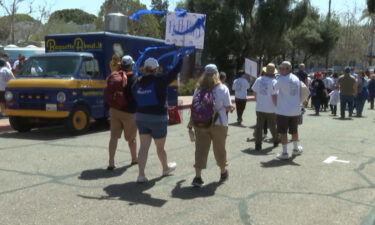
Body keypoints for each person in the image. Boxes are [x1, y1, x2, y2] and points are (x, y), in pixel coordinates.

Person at [133, 57, 182, 183]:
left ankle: (141, 175)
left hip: (141, 117)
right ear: (156, 69)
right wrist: (180, 58)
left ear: (144, 68)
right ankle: (165, 168)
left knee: (144, 146)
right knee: (160, 147)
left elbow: (133, 96)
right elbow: (175, 71)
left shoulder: (137, 81)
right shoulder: (160, 80)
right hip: (158, 118)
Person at [189, 64, 234, 187]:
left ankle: (197, 177)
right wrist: (231, 108)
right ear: (217, 74)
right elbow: (228, 106)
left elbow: (194, 105)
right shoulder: (222, 88)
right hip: (219, 123)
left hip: (200, 123)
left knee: (200, 150)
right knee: (219, 148)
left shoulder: (198, 89)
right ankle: (223, 172)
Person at [107, 55, 138, 170]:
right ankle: (134, 159)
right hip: (129, 112)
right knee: (131, 138)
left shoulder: (116, 75)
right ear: (131, 66)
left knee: (114, 137)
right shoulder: (134, 78)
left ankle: (111, 162)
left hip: (114, 110)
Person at [274, 61, 303, 160]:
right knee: (294, 130)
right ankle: (295, 149)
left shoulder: (282, 79)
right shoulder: (296, 78)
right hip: (295, 110)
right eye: (280, 67)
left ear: (288, 69)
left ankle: (285, 152)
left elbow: (274, 89)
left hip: (283, 110)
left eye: (282, 68)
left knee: (283, 132)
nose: (280, 69)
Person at [251, 63, 279, 151]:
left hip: (260, 107)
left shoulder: (259, 79)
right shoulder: (274, 81)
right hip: (271, 108)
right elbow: (274, 96)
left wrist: (258, 100)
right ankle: (275, 140)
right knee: (272, 126)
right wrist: (277, 106)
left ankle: (258, 144)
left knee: (259, 126)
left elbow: (254, 93)